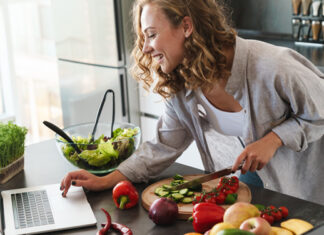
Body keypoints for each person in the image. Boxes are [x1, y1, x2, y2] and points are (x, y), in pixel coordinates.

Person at [60, 0, 324, 205]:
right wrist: (106, 180)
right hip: (253, 197)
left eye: (151, 35)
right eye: (144, 38)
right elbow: (164, 146)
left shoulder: (272, 65)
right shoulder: (182, 83)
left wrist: (273, 139)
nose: (145, 49)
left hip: (308, 199)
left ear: (186, 26)